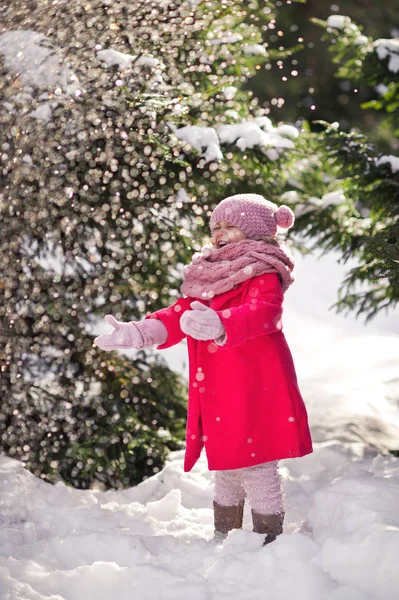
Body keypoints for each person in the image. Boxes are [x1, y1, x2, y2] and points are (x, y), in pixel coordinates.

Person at [94, 194, 313, 545]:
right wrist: (137, 333)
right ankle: (224, 533)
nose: (220, 234)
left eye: (231, 227)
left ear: (256, 232)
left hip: (258, 383)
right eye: (216, 228)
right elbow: (179, 315)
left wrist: (222, 323)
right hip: (222, 387)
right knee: (227, 461)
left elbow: (265, 312)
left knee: (258, 463)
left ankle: (269, 539)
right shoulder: (208, 273)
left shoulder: (264, 271)